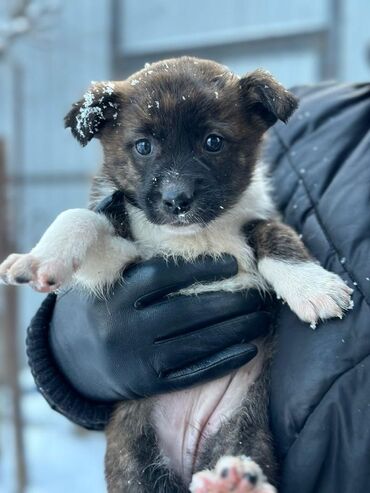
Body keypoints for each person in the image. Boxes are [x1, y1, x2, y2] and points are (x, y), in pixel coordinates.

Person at [26, 82, 370, 493]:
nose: (176, 189)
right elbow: (94, 251)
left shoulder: (267, 124)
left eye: (211, 143)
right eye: (144, 147)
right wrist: (68, 351)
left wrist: (291, 270)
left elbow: (262, 231)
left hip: (250, 420)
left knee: (240, 449)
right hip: (146, 425)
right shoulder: (324, 115)